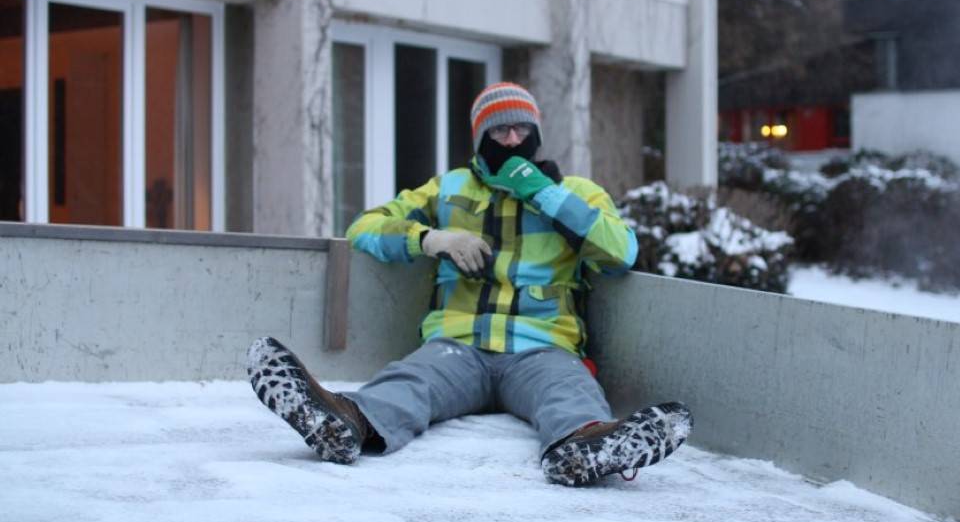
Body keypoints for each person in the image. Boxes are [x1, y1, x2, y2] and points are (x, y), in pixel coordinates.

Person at [247, 82, 692, 486]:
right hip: (458, 346)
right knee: (412, 381)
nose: (512, 140)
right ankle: (344, 423)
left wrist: (543, 192)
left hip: (543, 346)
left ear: (536, 133)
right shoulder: (449, 189)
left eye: (521, 129)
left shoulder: (576, 191)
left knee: (568, 391)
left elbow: (621, 252)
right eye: (500, 131)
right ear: (481, 137)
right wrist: (430, 239)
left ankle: (585, 446)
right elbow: (365, 227)